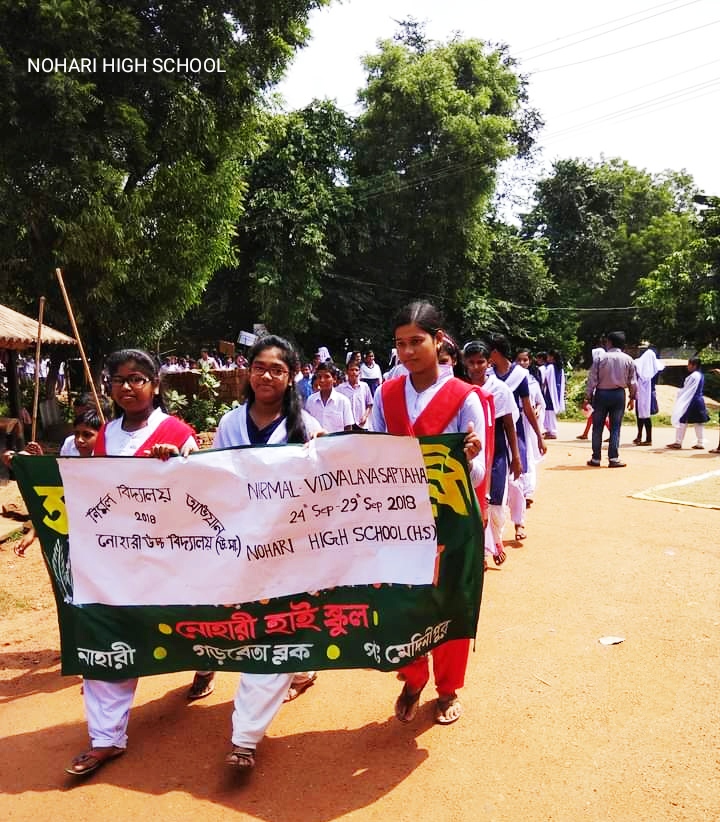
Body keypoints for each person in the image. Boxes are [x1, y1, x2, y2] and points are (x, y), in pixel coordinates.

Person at [65, 349, 200, 778]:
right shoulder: (104, 435)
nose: (127, 386)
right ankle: (105, 737)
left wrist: (176, 463)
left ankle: (205, 663)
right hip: (117, 560)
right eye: (119, 379)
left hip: (171, 558)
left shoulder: (178, 432)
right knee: (109, 632)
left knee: (191, 624)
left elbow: (204, 492)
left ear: (155, 386)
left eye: (137, 378)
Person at [372, 301, 485, 726]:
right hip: (399, 520)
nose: (407, 352)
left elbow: (478, 471)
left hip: (450, 521)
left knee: (450, 602)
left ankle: (448, 688)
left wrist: (468, 457)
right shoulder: (385, 395)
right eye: (400, 344)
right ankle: (413, 676)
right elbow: (375, 454)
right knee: (402, 602)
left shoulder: (466, 398)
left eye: (416, 341)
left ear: (438, 341)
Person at [214, 335, 324, 772]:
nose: (266, 376)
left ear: (291, 377)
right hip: (242, 545)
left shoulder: (307, 427)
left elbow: (324, 486)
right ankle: (301, 669)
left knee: (274, 630)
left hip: (292, 548)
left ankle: (245, 737)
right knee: (265, 628)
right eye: (259, 367)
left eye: (277, 369)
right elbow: (212, 478)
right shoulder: (230, 424)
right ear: (248, 371)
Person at [487, 335, 547, 541]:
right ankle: (493, 532)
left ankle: (519, 522)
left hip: (515, 430)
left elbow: (527, 408)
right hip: (494, 430)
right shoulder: (488, 374)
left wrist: (539, 436)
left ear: (495, 352)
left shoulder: (520, 375)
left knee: (516, 479)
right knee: (494, 481)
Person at [463, 340, 517, 567]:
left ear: (489, 363)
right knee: (472, 501)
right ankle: (481, 551)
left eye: (481, 362)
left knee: (495, 500)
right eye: (471, 362)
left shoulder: (500, 389)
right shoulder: (460, 388)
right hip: (471, 451)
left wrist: (516, 457)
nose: (476, 367)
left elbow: (509, 425)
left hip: (496, 451)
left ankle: (495, 541)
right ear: (465, 363)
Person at [583, 331, 636, 468]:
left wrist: (587, 397)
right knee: (615, 427)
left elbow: (592, 379)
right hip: (619, 395)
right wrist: (632, 397)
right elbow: (632, 381)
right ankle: (613, 458)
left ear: (610, 342)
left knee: (597, 426)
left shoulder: (600, 358)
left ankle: (596, 458)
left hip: (601, 394)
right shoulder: (628, 359)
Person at [666, 357, 709, 450]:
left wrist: (680, 395)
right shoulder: (700, 375)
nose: (688, 366)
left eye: (689, 364)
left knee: (682, 419)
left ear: (694, 365)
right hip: (699, 400)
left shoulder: (693, 376)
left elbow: (687, 389)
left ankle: (678, 442)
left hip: (690, 400)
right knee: (698, 422)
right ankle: (700, 443)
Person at [304, 362, 354, 433]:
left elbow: (348, 428)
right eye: (319, 377)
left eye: (327, 377)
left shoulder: (343, 401)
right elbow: (307, 425)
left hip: (337, 440)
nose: (322, 380)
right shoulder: (311, 400)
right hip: (316, 440)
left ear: (334, 379)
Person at [633, 346, 664, 446]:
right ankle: (641, 436)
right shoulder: (656, 368)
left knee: (644, 416)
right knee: (643, 416)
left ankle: (647, 438)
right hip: (649, 394)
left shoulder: (641, 368)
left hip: (643, 394)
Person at [336, 361, 373, 430]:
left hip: (362, 424)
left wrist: (365, 416)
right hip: (347, 425)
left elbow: (369, 404)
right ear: (347, 372)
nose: (354, 372)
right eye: (351, 370)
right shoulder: (340, 388)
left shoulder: (364, 386)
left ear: (359, 372)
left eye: (356, 370)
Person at [542, 350, 565, 439]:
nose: (547, 358)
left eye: (548, 356)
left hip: (550, 391)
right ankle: (549, 430)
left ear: (552, 357)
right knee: (549, 410)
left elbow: (545, 378)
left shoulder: (550, 367)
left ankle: (552, 431)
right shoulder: (559, 368)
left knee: (549, 410)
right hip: (556, 390)